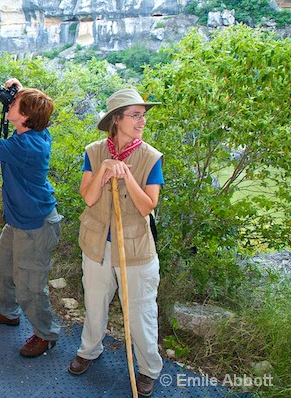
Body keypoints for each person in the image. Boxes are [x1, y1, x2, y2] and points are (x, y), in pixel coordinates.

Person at [67, 88, 164, 396]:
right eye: (135, 115)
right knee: (94, 302)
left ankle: (149, 369)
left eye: (143, 115)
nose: (142, 121)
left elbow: (148, 206)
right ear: (116, 119)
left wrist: (126, 177)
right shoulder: (94, 152)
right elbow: (89, 196)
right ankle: (89, 351)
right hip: (97, 245)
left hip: (135, 248)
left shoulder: (150, 157)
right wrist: (106, 169)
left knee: (140, 311)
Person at [0, 78, 61, 358]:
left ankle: (45, 335)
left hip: (36, 225)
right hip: (18, 220)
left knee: (29, 288)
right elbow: (34, 111)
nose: (9, 103)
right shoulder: (36, 131)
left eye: (15, 103)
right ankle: (8, 312)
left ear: (24, 118)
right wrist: (21, 90)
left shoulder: (25, 146)